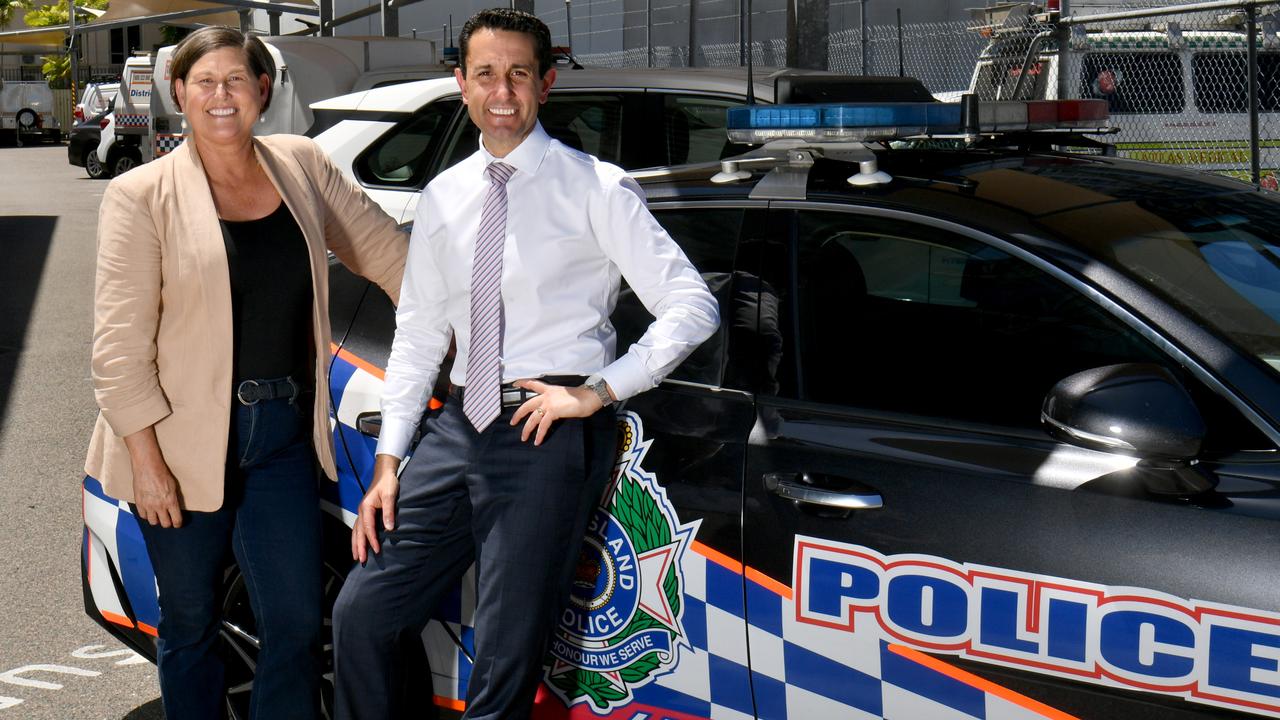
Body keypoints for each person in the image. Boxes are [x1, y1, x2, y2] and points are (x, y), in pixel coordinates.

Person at [332, 8, 719, 719]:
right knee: (362, 615)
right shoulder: (445, 195)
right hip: (454, 432)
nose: (501, 90)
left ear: (544, 84)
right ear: (461, 84)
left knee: (506, 660)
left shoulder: (595, 187)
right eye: (485, 74)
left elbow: (692, 306)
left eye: (517, 73)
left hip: (547, 435)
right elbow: (418, 333)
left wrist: (600, 392)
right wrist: (388, 463)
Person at [85, 26, 407, 720]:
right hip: (177, 440)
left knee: (293, 623)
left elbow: (389, 255)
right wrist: (146, 462)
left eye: (237, 80)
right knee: (191, 624)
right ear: (179, 92)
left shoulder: (300, 164)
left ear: (264, 90)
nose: (221, 95)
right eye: (204, 81)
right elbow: (117, 351)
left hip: (281, 436)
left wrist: (478, 339)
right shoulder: (142, 194)